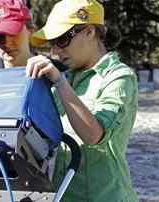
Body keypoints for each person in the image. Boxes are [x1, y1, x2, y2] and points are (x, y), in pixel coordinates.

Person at [26, 0, 139, 201]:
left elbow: (94, 135)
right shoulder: (67, 76)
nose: (55, 51)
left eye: (61, 40)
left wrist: (60, 82)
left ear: (89, 31)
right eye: (51, 43)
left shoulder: (119, 77)